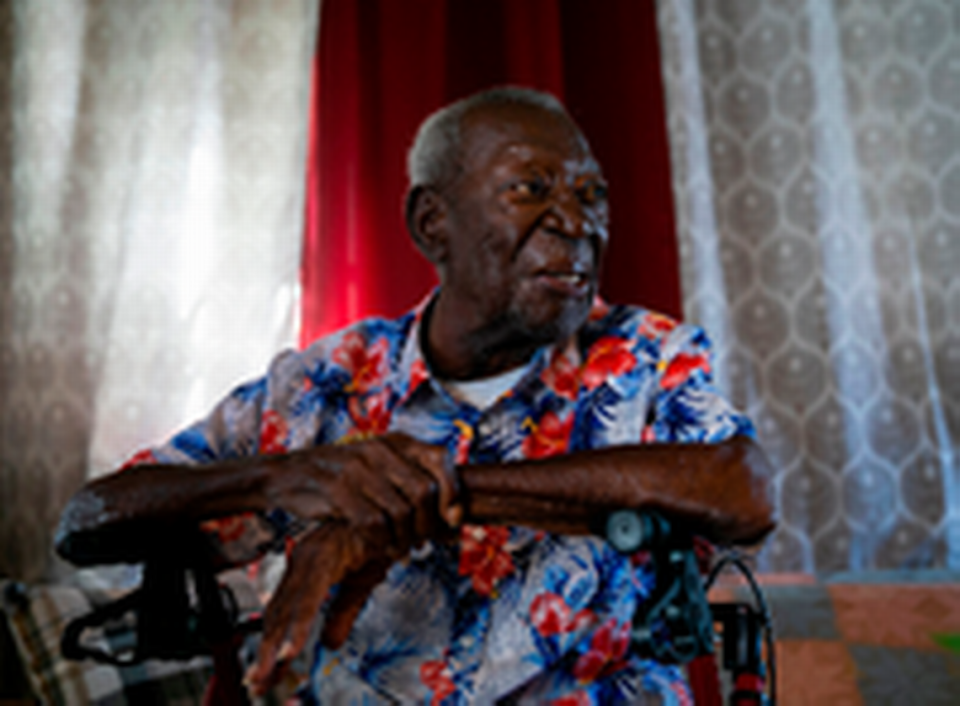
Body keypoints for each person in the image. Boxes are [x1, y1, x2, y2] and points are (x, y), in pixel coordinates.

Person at [56, 87, 775, 704]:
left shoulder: (641, 357)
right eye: (532, 188)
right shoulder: (327, 384)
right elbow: (85, 523)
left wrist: (372, 521)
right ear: (434, 224)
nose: (576, 220)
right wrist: (287, 477)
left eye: (591, 195)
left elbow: (741, 491)